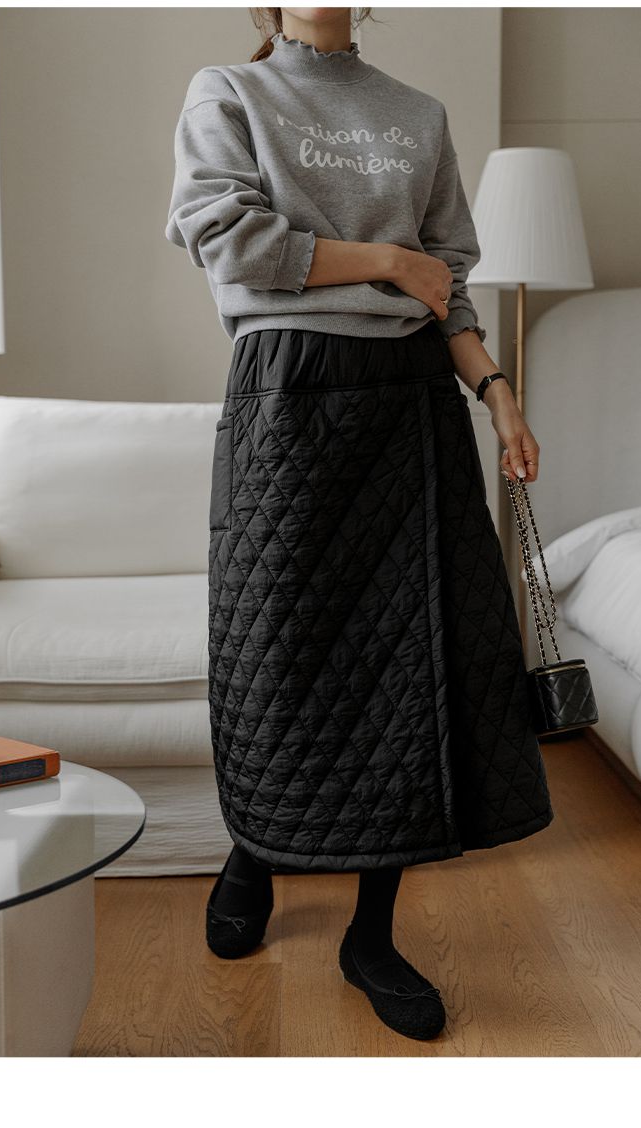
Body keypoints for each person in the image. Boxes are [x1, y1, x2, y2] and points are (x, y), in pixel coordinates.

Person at [164, 7, 554, 1043]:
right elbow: (226, 237)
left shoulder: (417, 113)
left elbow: (447, 281)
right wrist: (388, 260)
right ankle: (256, 847)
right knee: (277, 651)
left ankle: (371, 933)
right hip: (290, 389)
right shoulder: (230, 92)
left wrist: (498, 393)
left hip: (416, 400)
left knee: (410, 665)